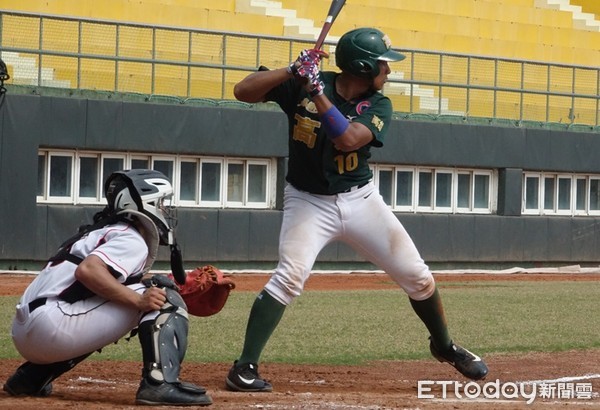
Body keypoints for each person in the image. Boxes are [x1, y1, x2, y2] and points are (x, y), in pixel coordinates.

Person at [225, 27, 489, 392]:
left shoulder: (378, 105)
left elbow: (348, 139)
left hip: (360, 200)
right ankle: (244, 366)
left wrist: (316, 92)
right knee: (289, 276)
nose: (389, 71)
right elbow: (243, 91)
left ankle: (444, 346)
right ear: (363, 68)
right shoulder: (303, 83)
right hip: (308, 201)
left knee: (419, 277)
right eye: (383, 65)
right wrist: (291, 70)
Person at [3, 169, 212, 406]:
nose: (165, 210)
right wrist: (141, 300)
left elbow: (96, 282)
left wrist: (147, 287)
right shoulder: (131, 237)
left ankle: (31, 377)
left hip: (27, 330)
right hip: (52, 326)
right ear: (146, 204)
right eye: (161, 203)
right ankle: (159, 383)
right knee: (166, 298)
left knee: (150, 290)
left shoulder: (104, 231)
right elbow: (88, 271)